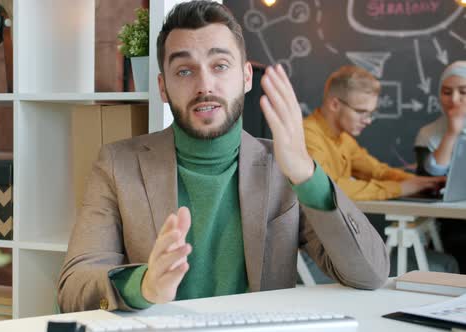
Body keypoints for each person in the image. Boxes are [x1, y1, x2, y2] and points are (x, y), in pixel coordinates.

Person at [58, 1, 389, 312]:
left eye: (220, 65)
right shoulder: (117, 164)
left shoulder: (285, 168)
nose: (205, 84)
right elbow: (73, 288)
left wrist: (306, 174)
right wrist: (142, 285)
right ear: (163, 87)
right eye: (184, 71)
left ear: (246, 77)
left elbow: (369, 274)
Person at [303, 65, 445, 201]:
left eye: (371, 113)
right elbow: (326, 189)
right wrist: (399, 188)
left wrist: (424, 182)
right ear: (334, 104)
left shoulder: (344, 138)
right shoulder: (308, 135)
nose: (368, 121)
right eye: (361, 112)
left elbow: (378, 171)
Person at [414, 61, 466, 273]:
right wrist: (452, 133)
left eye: (463, 91)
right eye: (446, 92)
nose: (454, 100)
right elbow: (428, 179)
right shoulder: (428, 133)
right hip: (449, 225)